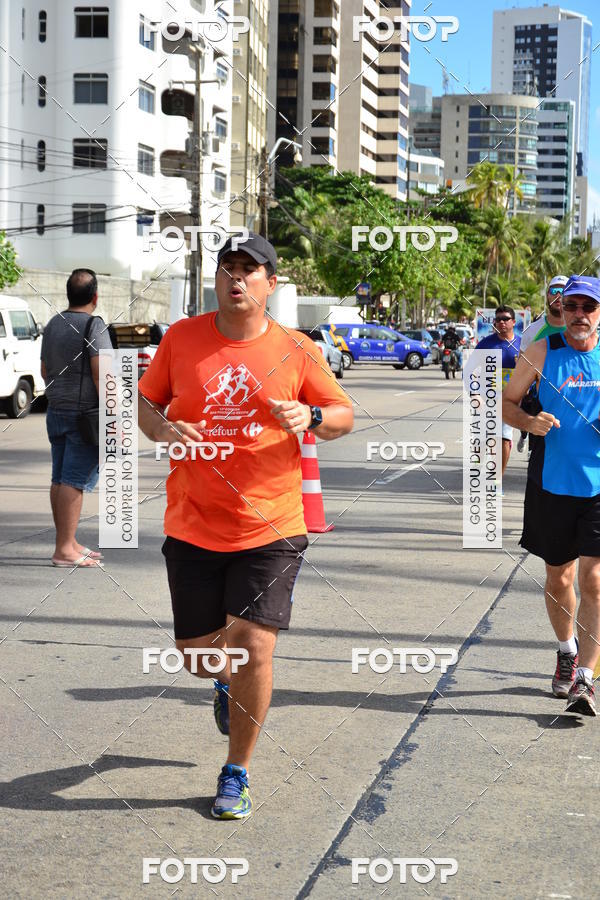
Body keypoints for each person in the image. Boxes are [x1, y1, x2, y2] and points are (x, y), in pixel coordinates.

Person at [137, 232, 354, 819]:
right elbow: (147, 405)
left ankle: (237, 770)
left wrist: (310, 414)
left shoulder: (296, 347)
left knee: (254, 646)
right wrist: (163, 429)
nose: (236, 279)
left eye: (248, 270)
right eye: (227, 269)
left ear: (270, 283)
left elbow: (343, 415)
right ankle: (222, 683)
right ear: (216, 280)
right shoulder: (181, 339)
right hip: (193, 521)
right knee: (199, 655)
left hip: (271, 525)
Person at [503, 275, 600, 716]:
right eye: (572, 306)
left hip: (598, 489)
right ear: (562, 309)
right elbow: (505, 402)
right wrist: (529, 422)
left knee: (594, 580)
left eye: (588, 307)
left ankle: (586, 679)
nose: (579, 315)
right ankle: (567, 651)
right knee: (560, 578)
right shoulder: (542, 351)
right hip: (553, 483)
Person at [41, 269, 112, 567]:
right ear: (95, 296)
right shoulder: (95, 325)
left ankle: (68, 542)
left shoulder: (53, 324)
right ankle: (63, 551)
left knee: (60, 479)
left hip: (56, 411)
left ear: (68, 294)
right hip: (85, 417)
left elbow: (44, 370)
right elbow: (102, 375)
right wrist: (113, 418)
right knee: (74, 481)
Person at [516, 275, 567, 453]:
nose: (558, 295)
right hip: (542, 400)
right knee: (540, 457)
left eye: (563, 291)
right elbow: (522, 364)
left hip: (574, 397)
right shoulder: (533, 330)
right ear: (547, 295)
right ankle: (525, 436)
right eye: (555, 291)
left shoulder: (581, 328)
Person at [475, 306, 520, 476]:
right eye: (498, 319)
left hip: (509, 399)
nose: (501, 322)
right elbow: (470, 370)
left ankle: (497, 479)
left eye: (505, 319)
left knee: (504, 437)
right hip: (486, 398)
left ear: (513, 322)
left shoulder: (522, 345)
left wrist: (527, 390)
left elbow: (531, 372)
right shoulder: (485, 344)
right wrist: (475, 394)